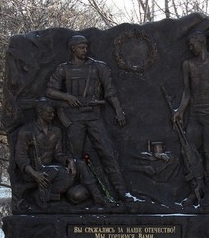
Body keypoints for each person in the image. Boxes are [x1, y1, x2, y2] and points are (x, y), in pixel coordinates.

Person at [46, 34, 130, 202]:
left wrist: (118, 111)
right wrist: (68, 97)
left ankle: (122, 193)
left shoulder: (99, 67)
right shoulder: (63, 69)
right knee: (74, 157)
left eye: (86, 47)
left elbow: (110, 92)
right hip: (74, 119)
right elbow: (50, 91)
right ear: (73, 49)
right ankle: (73, 193)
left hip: (94, 117)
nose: (85, 50)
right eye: (81, 47)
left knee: (108, 153)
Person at [173, 31, 209, 207]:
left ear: (201, 42)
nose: (190, 48)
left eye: (192, 45)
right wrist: (181, 111)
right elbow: (187, 92)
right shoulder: (188, 64)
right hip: (195, 116)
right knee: (188, 151)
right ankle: (196, 190)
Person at [15, 97, 108, 207]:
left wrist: (69, 160)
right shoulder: (26, 132)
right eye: (49, 113)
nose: (53, 115)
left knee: (80, 166)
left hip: (53, 171)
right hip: (36, 172)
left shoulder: (56, 131)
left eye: (53, 113)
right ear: (40, 112)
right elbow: (21, 158)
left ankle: (98, 198)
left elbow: (58, 154)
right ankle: (43, 195)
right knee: (64, 176)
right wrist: (35, 174)